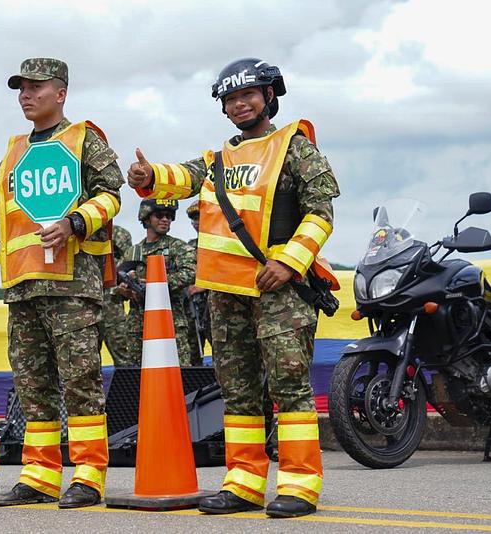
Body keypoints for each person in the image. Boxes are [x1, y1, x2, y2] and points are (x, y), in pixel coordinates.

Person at [127, 58, 340, 518]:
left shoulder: (293, 147)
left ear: (269, 97)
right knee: (238, 391)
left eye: (248, 95)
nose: (239, 104)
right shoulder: (218, 159)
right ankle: (242, 481)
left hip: (279, 291)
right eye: (231, 99)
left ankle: (300, 485)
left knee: (290, 388)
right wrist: (149, 178)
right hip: (225, 293)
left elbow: (321, 212)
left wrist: (289, 262)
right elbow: (182, 175)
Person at [0, 58, 123, 509]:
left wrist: (76, 221)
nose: (26, 95)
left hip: (70, 283)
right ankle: (38, 474)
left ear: (60, 93)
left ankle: (89, 475)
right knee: (32, 385)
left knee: (79, 381)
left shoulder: (83, 139)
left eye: (36, 87)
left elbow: (112, 194)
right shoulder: (14, 150)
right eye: (21, 88)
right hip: (22, 285)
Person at [116, 199, 200, 367]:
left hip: (170, 323)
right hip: (138, 327)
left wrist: (156, 286)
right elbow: (117, 282)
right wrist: (124, 291)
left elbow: (191, 272)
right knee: (139, 375)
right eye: (159, 215)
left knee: (177, 373)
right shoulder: (134, 251)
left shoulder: (178, 247)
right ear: (146, 219)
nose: (165, 219)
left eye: (169, 216)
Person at [99, 224, 132, 366]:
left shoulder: (120, 234)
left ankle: (129, 388)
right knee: (86, 357)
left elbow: (127, 265)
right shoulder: (76, 229)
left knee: (124, 356)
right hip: (84, 302)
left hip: (112, 304)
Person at [184, 200, 210, 358]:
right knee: (193, 352)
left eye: (199, 217)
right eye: (194, 219)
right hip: (194, 308)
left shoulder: (222, 243)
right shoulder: (189, 246)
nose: (196, 222)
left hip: (214, 304)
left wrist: (204, 286)